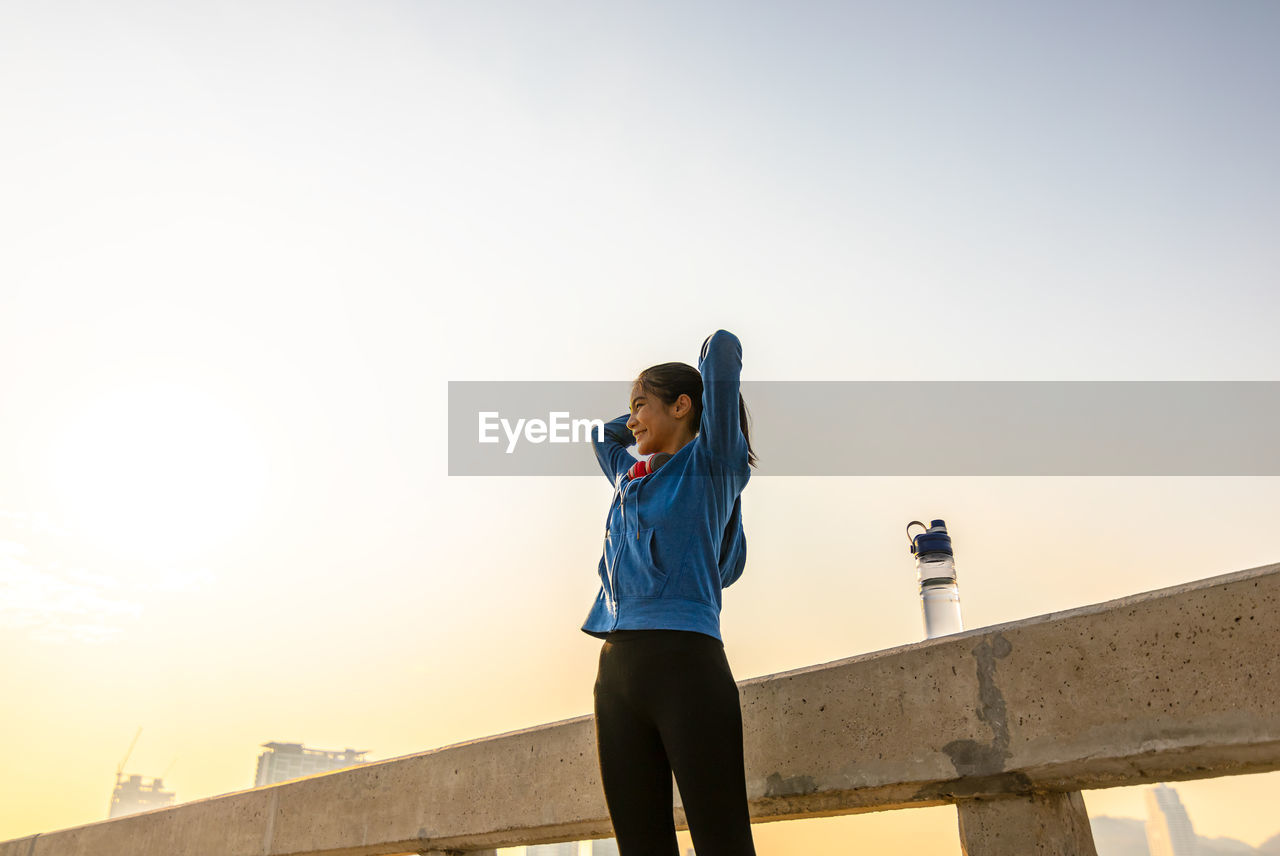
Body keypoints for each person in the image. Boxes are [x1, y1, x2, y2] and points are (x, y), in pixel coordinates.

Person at [582, 329, 759, 856]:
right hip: (615, 675)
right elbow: (602, 434)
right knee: (640, 847)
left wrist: (694, 401)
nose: (631, 420)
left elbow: (723, 350)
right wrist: (641, 411)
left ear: (684, 405)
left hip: (686, 666)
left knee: (721, 841)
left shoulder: (712, 465)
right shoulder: (629, 478)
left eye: (641, 406)